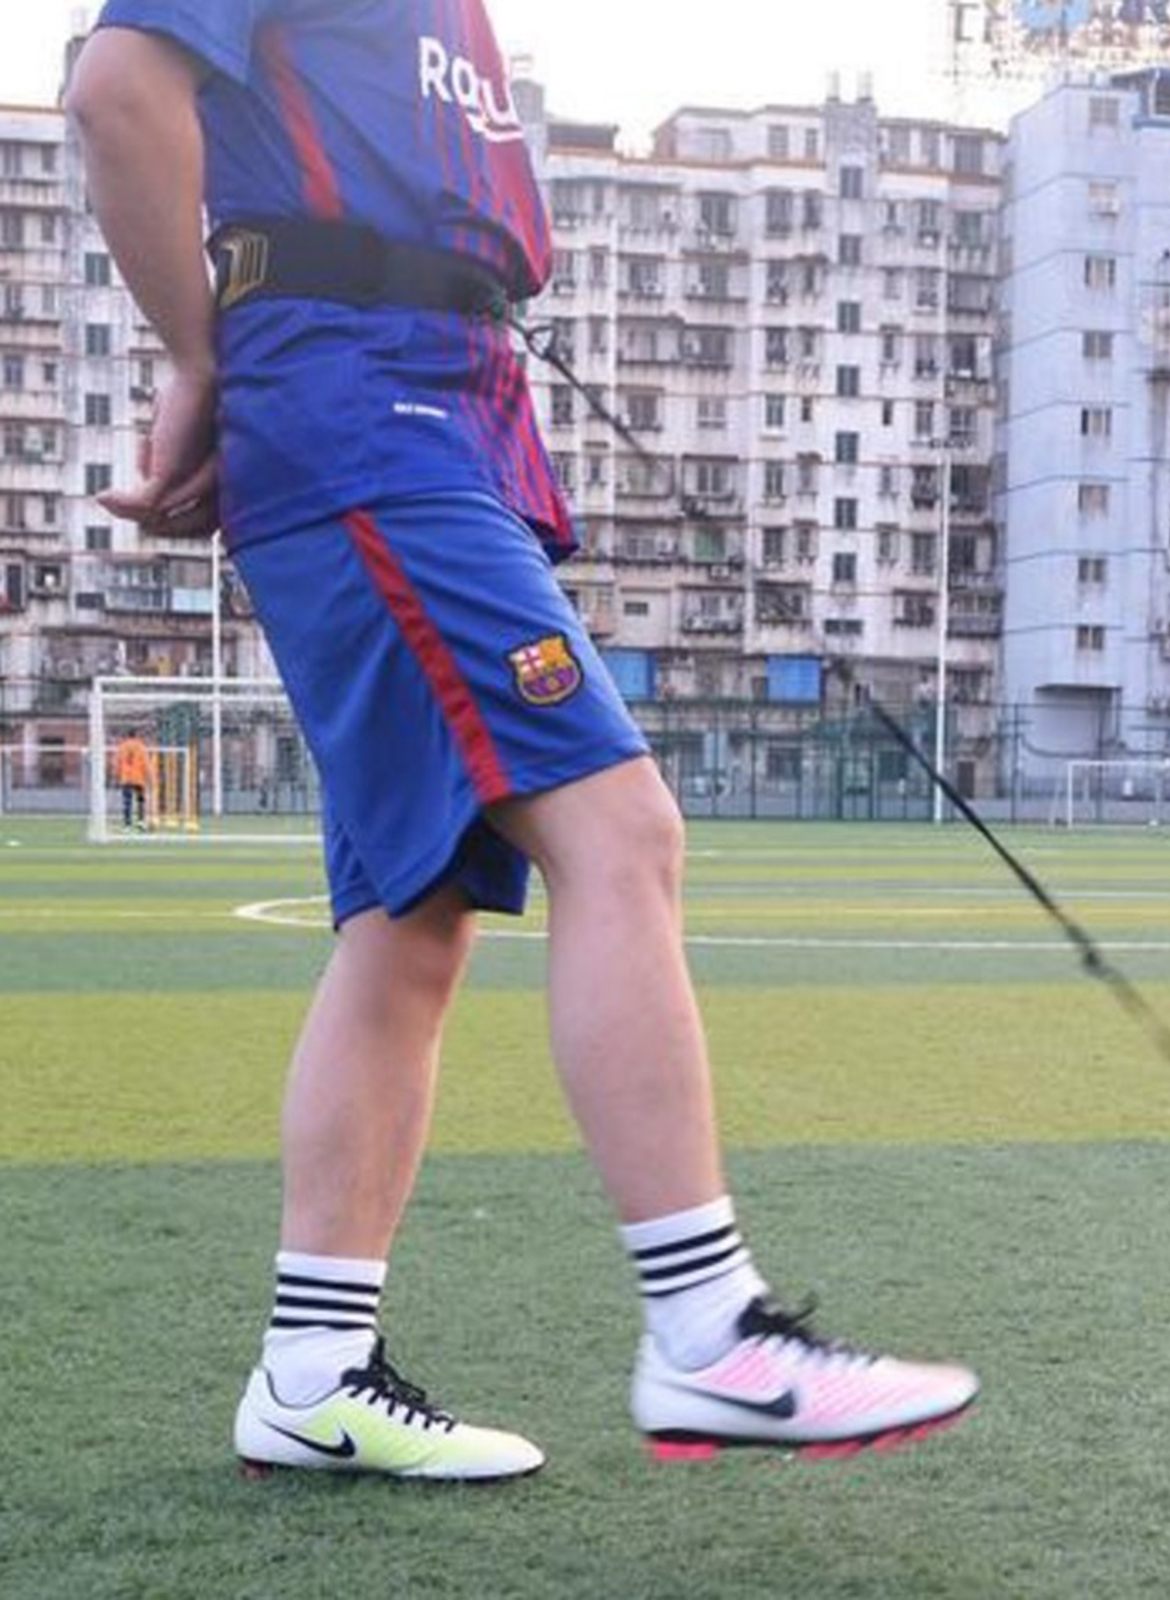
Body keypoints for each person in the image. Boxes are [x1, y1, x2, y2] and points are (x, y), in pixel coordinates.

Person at [67, 2, 975, 1481]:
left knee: (411, 913)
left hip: (451, 410)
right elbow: (118, 90)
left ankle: (312, 1371)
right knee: (620, 832)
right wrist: (202, 362)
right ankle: (709, 1331)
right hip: (364, 407)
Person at [113, 731, 151, 830]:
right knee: (141, 801)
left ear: (127, 736)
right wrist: (148, 776)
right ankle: (141, 822)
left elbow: (117, 763)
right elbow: (146, 763)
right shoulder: (141, 747)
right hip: (139, 778)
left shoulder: (122, 747)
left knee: (127, 802)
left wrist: (116, 776)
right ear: (136, 736)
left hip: (126, 778)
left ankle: (127, 825)